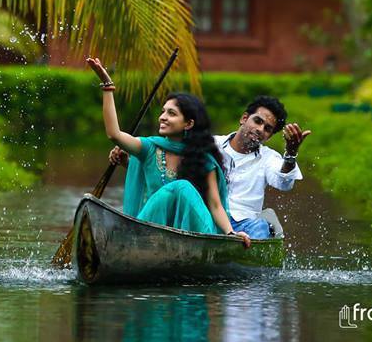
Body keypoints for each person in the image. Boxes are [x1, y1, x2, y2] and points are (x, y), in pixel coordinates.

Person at [87, 57, 252, 247]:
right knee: (174, 190)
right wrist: (108, 86)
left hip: (191, 233)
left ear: (188, 124)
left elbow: (215, 205)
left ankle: (203, 246)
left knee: (182, 187)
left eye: (171, 114)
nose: (163, 117)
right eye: (163, 111)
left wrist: (230, 233)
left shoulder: (203, 159)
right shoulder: (149, 148)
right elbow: (114, 134)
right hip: (152, 229)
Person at [111, 95, 310, 240]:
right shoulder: (208, 145)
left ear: (269, 136)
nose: (260, 129)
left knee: (261, 226)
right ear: (244, 118)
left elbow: (284, 183)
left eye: (267, 129)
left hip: (245, 224)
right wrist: (129, 163)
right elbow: (170, 175)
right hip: (203, 217)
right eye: (257, 121)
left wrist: (291, 154)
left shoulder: (269, 158)